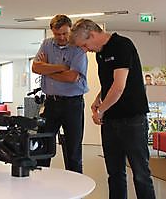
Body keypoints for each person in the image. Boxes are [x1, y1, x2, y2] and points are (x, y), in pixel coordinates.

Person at [70, 18, 156, 199]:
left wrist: (100, 111)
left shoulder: (122, 45)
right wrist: (98, 98)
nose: (85, 50)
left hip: (133, 120)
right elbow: (110, 83)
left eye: (85, 45)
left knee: (141, 174)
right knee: (115, 174)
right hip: (111, 121)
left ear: (92, 35)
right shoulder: (100, 53)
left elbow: (119, 86)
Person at [32, 14, 88, 173]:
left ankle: (75, 188)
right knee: (43, 147)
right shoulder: (46, 44)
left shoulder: (78, 48)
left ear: (70, 30)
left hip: (73, 104)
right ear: (52, 31)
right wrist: (62, 67)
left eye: (65, 33)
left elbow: (71, 77)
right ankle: (40, 185)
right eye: (57, 34)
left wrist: (47, 68)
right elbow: (35, 68)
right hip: (51, 103)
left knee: (73, 151)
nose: (61, 37)